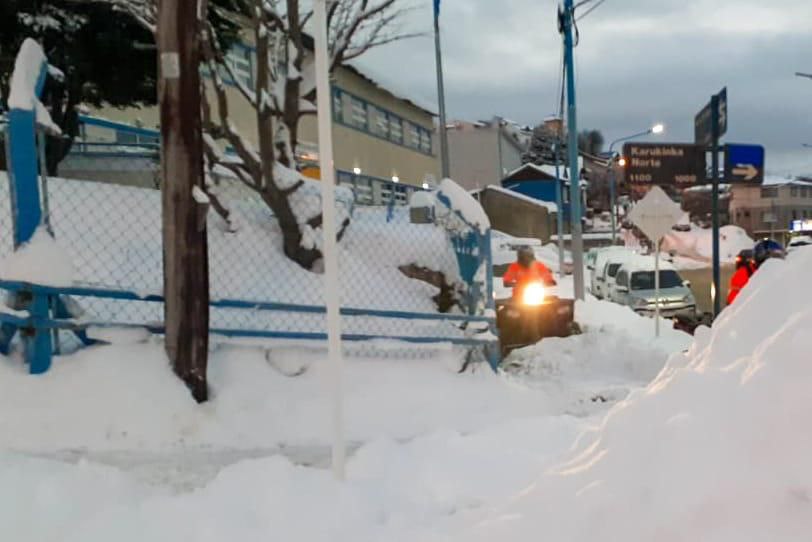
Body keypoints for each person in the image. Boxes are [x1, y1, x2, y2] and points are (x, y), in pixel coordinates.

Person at [726, 240, 785, 305]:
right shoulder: (744, 273)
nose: (777, 263)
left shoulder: (779, 273)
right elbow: (733, 302)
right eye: (774, 259)